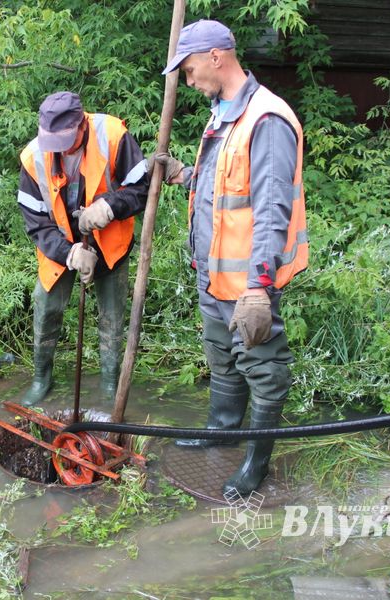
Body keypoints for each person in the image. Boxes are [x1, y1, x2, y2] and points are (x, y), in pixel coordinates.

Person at [156, 20, 308, 496]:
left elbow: (271, 210)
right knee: (221, 357)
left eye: (190, 68)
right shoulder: (223, 112)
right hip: (212, 276)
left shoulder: (267, 119)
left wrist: (260, 288)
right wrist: (185, 174)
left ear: (217, 57)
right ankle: (223, 427)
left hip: (246, 283)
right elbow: (226, 188)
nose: (187, 79)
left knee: (263, 367)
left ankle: (256, 462)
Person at [17, 91, 149, 406]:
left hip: (110, 245)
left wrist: (110, 205)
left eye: (64, 140)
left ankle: (109, 382)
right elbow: (35, 222)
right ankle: (41, 377)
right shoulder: (33, 158)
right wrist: (70, 253)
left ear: (81, 124)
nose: (56, 149)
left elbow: (142, 188)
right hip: (59, 249)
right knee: (46, 307)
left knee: (112, 315)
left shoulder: (113, 135)